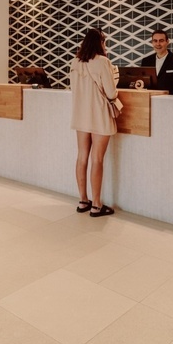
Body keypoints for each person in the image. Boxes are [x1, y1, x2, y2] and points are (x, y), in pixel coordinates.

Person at [69, 28, 117, 217]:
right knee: (97, 159)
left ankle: (83, 201)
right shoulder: (103, 62)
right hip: (99, 116)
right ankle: (96, 205)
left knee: (82, 157)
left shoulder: (75, 62)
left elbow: (74, 90)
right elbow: (112, 93)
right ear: (100, 43)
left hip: (80, 116)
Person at [141, 29, 173, 95]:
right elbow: (143, 84)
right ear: (152, 43)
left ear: (167, 42)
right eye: (155, 41)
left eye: (161, 41)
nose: (158, 44)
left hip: (171, 102)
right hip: (149, 102)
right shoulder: (146, 61)